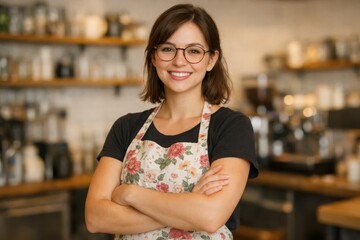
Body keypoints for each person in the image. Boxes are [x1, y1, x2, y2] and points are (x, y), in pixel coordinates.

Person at [85, 3, 259, 239]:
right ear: (154, 57)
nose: (179, 61)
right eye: (168, 49)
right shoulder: (126, 127)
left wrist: (129, 195)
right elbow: (95, 218)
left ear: (211, 60)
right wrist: (188, 206)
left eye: (194, 51)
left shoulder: (231, 126)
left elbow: (210, 217)